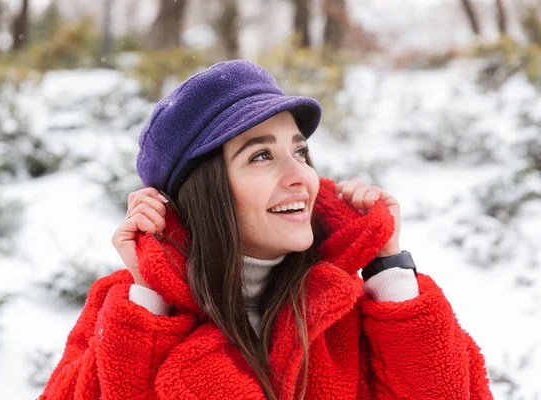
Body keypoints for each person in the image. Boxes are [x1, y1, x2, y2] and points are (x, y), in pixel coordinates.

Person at [39, 60, 492, 400]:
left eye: (300, 152)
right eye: (260, 156)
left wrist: (388, 267)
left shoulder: (347, 306)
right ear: (204, 192)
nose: (301, 177)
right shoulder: (125, 311)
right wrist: (153, 297)